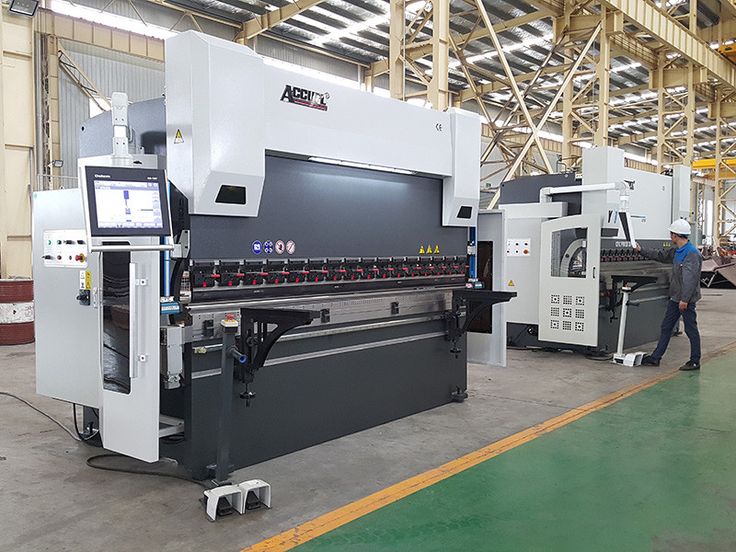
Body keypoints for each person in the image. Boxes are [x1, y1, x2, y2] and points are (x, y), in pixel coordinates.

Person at [633, 219, 702, 370]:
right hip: (676, 298)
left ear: (676, 235)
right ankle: (655, 358)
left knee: (691, 329)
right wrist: (641, 250)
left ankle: (695, 360)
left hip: (685, 300)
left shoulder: (691, 254)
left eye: (671, 234)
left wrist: (685, 300)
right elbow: (660, 255)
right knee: (666, 327)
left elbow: (690, 279)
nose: (670, 236)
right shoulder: (676, 251)